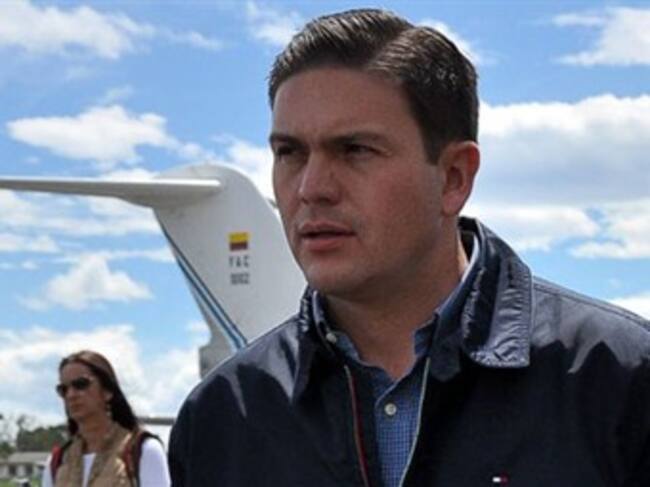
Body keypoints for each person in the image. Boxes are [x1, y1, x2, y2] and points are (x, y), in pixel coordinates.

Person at [169, 8, 650, 486]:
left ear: (454, 177)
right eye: (289, 153)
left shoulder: (620, 382)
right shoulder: (220, 419)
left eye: (355, 150)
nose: (311, 188)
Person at [42, 350, 170, 487]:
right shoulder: (57, 462)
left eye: (81, 384)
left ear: (107, 391)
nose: (71, 395)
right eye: (63, 389)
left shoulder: (144, 451)